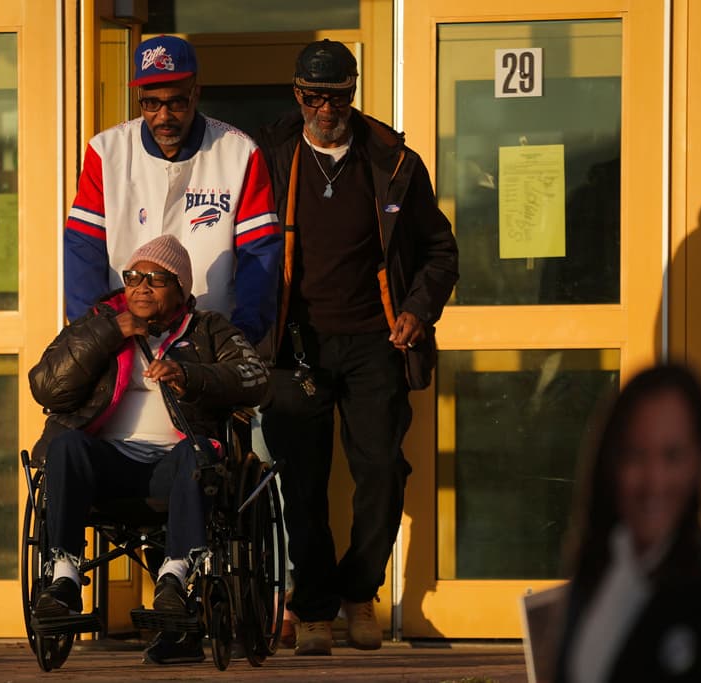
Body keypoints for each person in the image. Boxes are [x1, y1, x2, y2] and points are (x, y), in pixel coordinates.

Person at [255, 40, 459, 655]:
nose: (326, 108)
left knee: (382, 471)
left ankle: (358, 593)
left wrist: (418, 312)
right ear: (297, 96)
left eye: (338, 96)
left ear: (354, 93)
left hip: (377, 339)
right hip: (295, 344)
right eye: (314, 96)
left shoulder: (393, 159)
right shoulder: (268, 158)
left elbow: (439, 251)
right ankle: (313, 608)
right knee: (303, 482)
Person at [28, 234, 269, 665]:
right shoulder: (98, 322)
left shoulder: (208, 329)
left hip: (175, 465)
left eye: (156, 279)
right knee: (65, 447)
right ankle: (63, 578)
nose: (141, 286)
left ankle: (174, 579)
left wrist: (191, 376)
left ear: (181, 290)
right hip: (107, 465)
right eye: (133, 277)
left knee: (200, 456)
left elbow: (254, 378)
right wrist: (106, 333)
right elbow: (46, 385)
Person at [63, 34, 281, 345]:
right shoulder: (106, 151)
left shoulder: (239, 152)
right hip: (124, 340)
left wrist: (239, 338)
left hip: (209, 341)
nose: (163, 116)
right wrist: (98, 334)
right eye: (152, 103)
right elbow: (83, 249)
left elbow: (259, 255)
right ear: (140, 97)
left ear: (196, 93)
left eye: (176, 102)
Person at [553, 363, 701, 682]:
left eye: (672, 456)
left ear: (698, 461)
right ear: (611, 461)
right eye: (635, 455)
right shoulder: (595, 566)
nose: (653, 481)